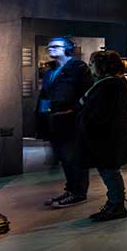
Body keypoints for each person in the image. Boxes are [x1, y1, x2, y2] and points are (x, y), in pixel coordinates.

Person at [38, 37, 93, 207]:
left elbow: (88, 93)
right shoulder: (51, 71)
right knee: (64, 157)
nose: (51, 49)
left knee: (74, 157)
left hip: (72, 120)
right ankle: (71, 190)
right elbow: (45, 95)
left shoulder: (78, 68)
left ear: (68, 48)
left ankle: (78, 193)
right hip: (55, 120)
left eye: (55, 46)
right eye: (49, 47)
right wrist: (43, 113)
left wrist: (73, 110)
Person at [79, 50, 127, 222]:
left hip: (106, 138)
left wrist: (87, 122)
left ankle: (116, 206)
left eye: (92, 64)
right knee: (109, 171)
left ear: (102, 66)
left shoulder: (109, 86)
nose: (90, 67)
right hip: (108, 137)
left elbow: (100, 114)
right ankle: (114, 204)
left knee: (109, 172)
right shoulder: (114, 83)